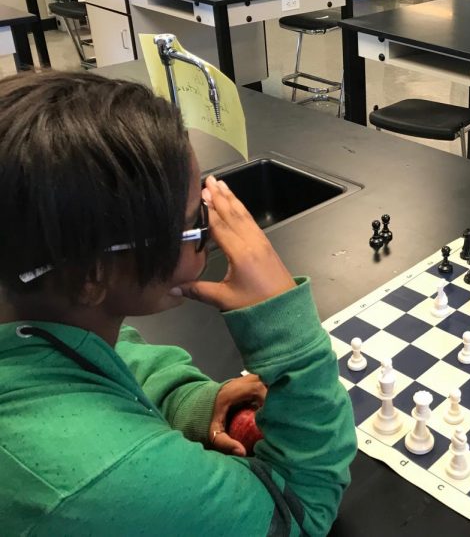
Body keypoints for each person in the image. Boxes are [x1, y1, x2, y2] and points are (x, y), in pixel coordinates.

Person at [0, 71, 356, 535]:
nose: (212, 234)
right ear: (95, 274)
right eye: (195, 223)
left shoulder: (30, 295)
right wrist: (287, 329)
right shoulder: (106, 480)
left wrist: (181, 399)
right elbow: (299, 508)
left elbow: (96, 349)